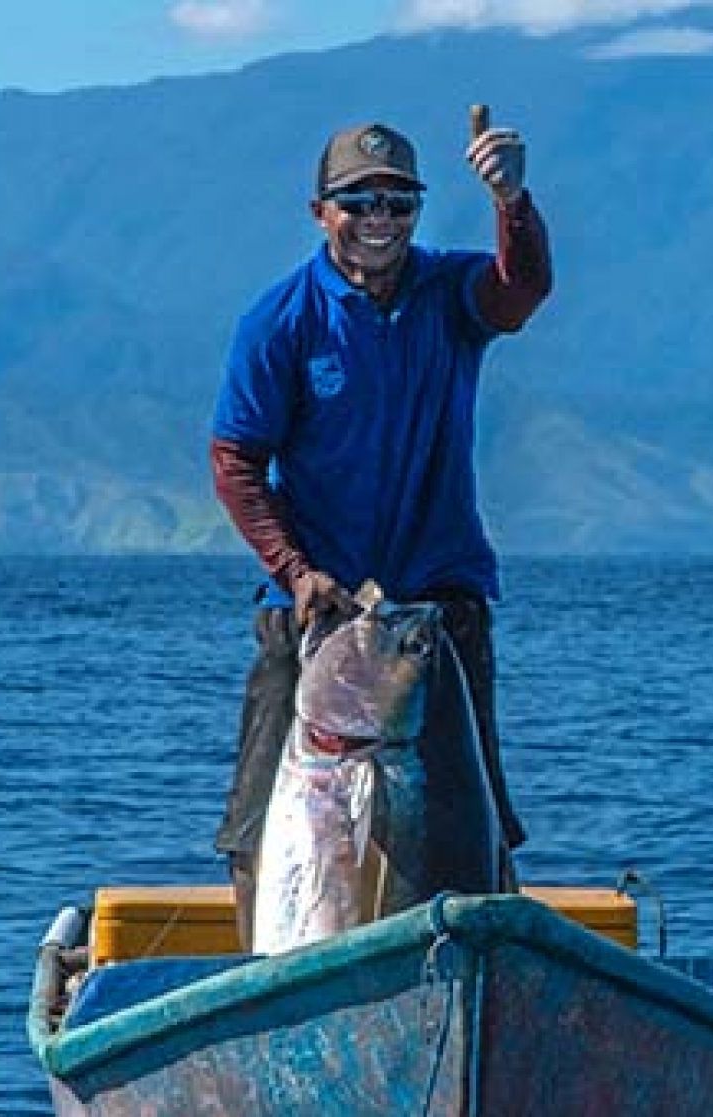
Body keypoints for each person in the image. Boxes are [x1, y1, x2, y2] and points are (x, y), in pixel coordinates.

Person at [210, 115, 553, 947]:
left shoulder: (448, 295)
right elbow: (236, 459)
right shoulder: (281, 321)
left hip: (434, 614)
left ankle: (474, 972)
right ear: (320, 211)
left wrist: (511, 201)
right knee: (263, 818)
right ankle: (267, 977)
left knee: (471, 817)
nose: (380, 219)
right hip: (315, 611)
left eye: (399, 203)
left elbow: (520, 290)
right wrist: (295, 570)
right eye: (359, 201)